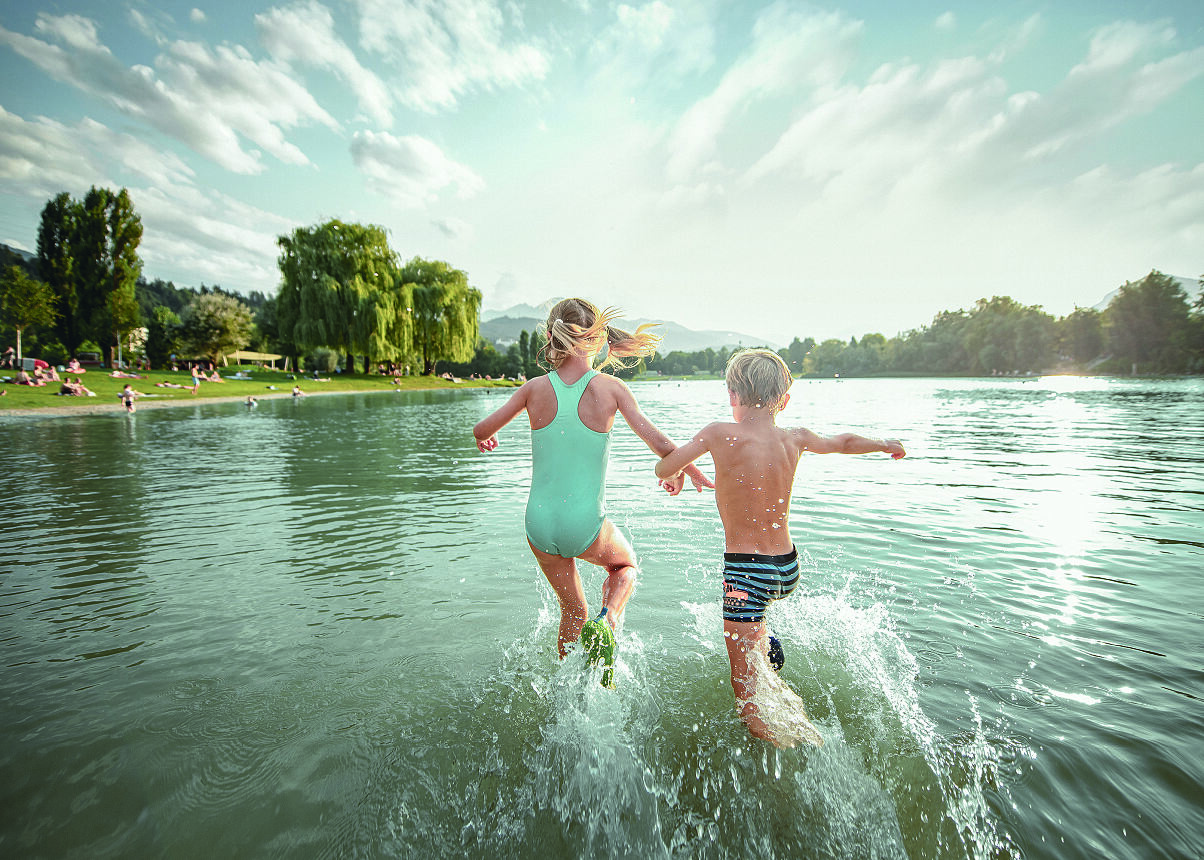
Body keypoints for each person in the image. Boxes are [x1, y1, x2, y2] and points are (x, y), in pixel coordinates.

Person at [655, 348, 905, 747]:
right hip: (786, 568)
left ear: (732, 395)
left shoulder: (719, 433)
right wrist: (885, 443)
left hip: (745, 572)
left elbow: (663, 467)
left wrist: (677, 476)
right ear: (783, 401)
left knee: (746, 697)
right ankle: (766, 652)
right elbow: (842, 442)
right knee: (758, 637)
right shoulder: (797, 437)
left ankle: (805, 753)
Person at [472, 298, 713, 687]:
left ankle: (569, 690)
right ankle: (610, 620)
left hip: (537, 525)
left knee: (571, 611)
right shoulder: (610, 389)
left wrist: (489, 438)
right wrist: (690, 472)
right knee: (624, 567)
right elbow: (662, 444)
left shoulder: (533, 389)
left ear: (550, 337)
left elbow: (480, 430)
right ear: (598, 339)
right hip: (583, 523)